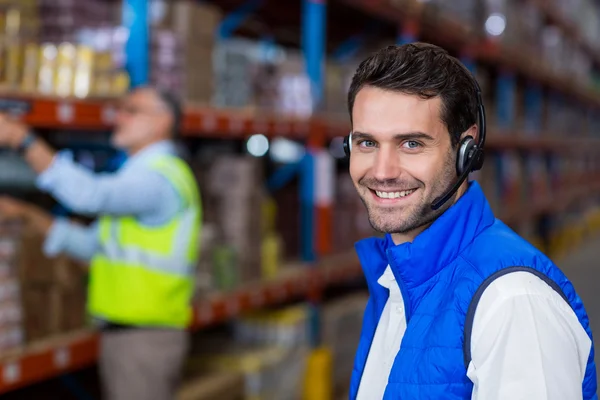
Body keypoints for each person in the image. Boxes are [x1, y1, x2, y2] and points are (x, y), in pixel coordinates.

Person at [344, 43, 596, 399]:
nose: (382, 172)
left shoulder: (512, 303)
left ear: (467, 150)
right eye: (367, 143)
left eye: (412, 144)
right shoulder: (397, 281)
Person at [0, 87, 202, 400]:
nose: (118, 117)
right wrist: (28, 215)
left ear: (163, 121)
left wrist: (22, 140)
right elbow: (91, 247)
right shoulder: (137, 175)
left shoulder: (159, 179)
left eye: (132, 110)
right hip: (129, 335)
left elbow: (89, 196)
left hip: (144, 338)